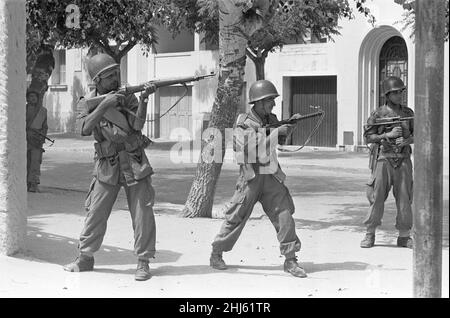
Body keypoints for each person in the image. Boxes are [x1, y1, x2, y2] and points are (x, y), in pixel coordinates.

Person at [63, 53, 157, 281]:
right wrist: (105, 104)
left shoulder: (127, 96)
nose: (115, 78)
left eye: (116, 73)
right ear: (97, 81)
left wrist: (143, 99)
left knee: (142, 212)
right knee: (96, 211)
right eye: (109, 76)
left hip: (134, 161)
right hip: (108, 165)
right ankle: (85, 257)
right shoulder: (87, 102)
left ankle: (143, 261)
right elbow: (83, 129)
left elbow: (137, 125)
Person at [209, 79, 307, 278]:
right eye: (270, 100)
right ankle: (217, 253)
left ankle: (290, 259)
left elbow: (278, 142)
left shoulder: (272, 118)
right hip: (251, 177)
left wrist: (290, 126)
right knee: (236, 216)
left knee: (284, 213)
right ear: (259, 102)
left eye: (273, 99)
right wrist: (276, 132)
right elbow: (249, 147)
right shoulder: (243, 122)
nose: (273, 103)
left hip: (271, 174)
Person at [361, 76, 414, 249]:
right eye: (395, 92)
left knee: (405, 198)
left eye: (401, 91)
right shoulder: (378, 113)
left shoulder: (408, 113)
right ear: (387, 94)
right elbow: (367, 137)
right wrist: (387, 135)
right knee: (376, 198)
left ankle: (404, 236)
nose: (399, 95)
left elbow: (420, 133)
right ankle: (370, 234)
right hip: (383, 159)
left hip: (403, 160)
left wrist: (407, 140)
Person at [26, 88, 48, 193]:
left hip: (36, 141)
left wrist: (42, 138)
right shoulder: (23, 109)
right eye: (31, 97)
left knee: (35, 163)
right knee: (26, 162)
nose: (33, 98)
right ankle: (25, 183)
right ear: (27, 99)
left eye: (35, 97)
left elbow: (45, 127)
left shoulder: (43, 111)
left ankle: (33, 184)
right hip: (25, 140)